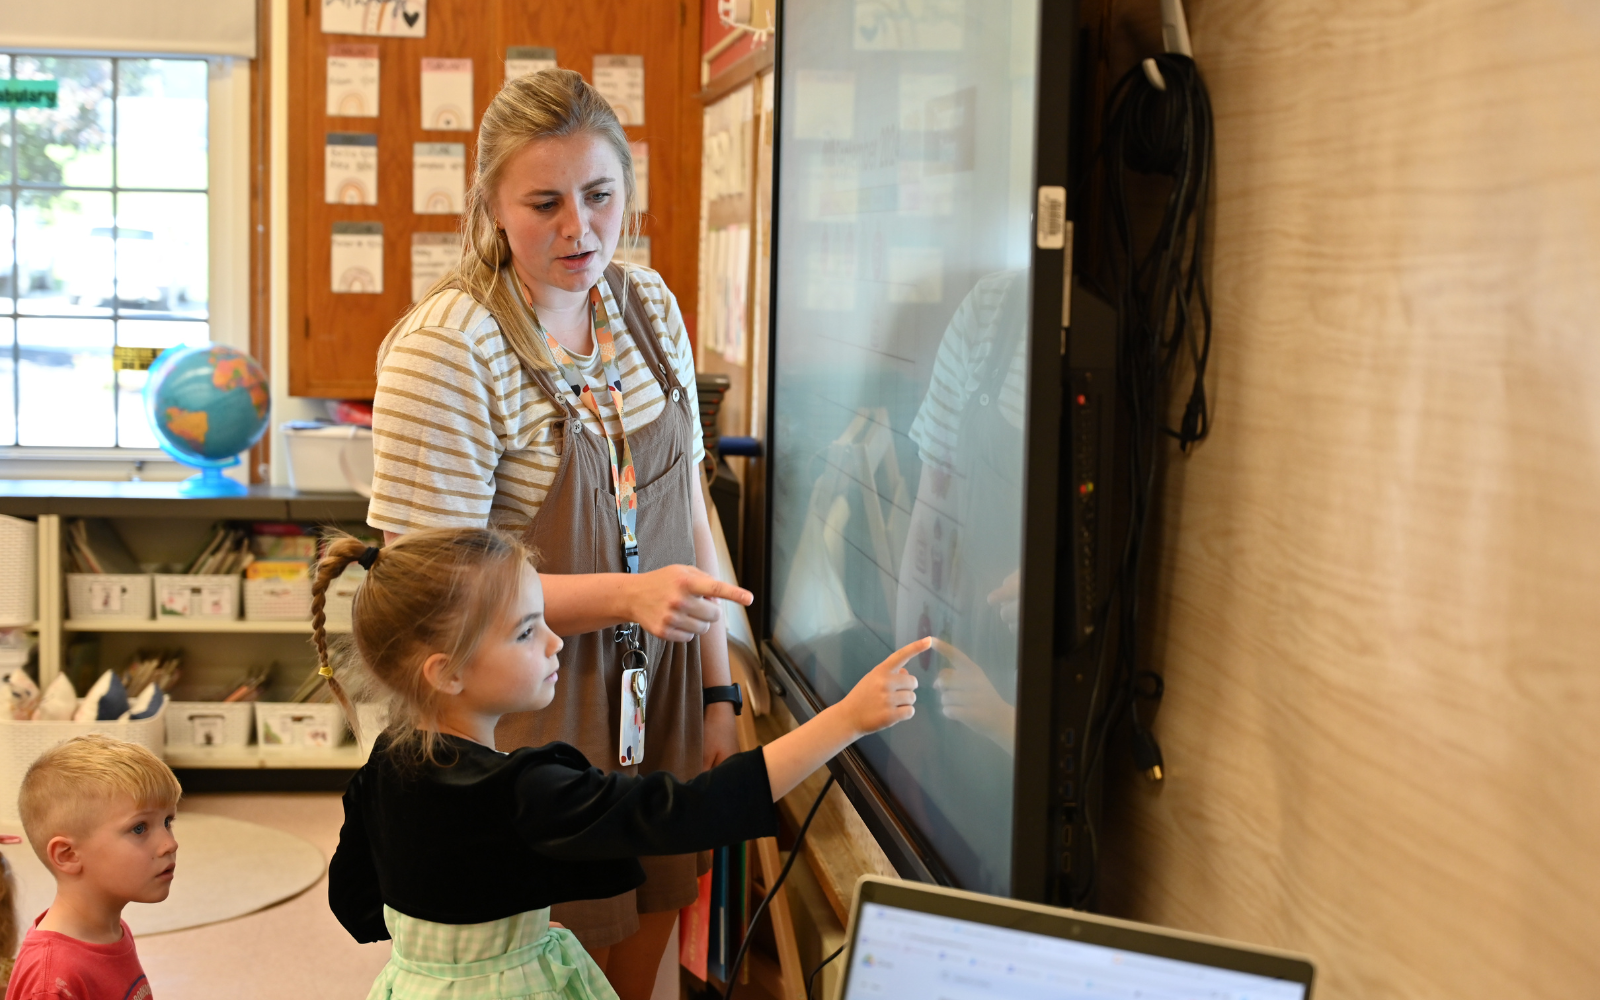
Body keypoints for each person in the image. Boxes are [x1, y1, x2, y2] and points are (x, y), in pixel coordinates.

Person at [366, 68, 746, 993]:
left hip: (654, 705)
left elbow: (687, 502)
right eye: (544, 203)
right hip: (522, 726)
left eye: (600, 195)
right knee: (543, 971)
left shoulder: (648, 307)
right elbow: (438, 602)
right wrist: (629, 594)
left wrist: (720, 696)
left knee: (634, 968)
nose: (579, 229)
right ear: (492, 202)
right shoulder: (448, 349)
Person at [314, 530, 926, 1000]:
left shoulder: (383, 766)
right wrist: (846, 719)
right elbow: (689, 813)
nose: (556, 642)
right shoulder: (524, 791)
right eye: (528, 632)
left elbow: (357, 905)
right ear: (446, 671)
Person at [7, 735, 180, 1000]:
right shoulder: (51, 983)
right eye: (139, 828)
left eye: (167, 821)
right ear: (68, 855)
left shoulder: (112, 930)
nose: (169, 844)